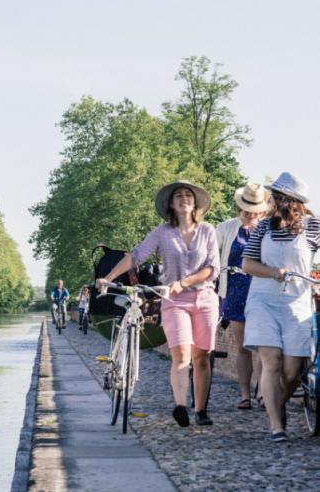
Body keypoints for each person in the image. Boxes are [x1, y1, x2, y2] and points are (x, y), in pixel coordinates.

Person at [96, 180, 220, 427]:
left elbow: (213, 269)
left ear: (195, 203)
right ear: (172, 205)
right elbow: (136, 255)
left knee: (203, 356)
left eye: (188, 195)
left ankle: (201, 409)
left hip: (205, 299)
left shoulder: (207, 231)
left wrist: (184, 282)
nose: (184, 198)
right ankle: (181, 406)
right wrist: (108, 278)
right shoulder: (162, 232)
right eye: (179, 196)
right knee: (181, 354)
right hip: (173, 301)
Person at [242, 172, 320, 442]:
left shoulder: (314, 226)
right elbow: (247, 265)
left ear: (294, 201)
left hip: (297, 305)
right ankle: (277, 426)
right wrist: (273, 271)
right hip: (263, 301)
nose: (275, 200)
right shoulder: (264, 226)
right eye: (275, 196)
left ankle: (278, 403)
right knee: (271, 362)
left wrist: (317, 282)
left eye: (279, 196)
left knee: (290, 372)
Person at [216, 184, 270, 410]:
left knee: (262, 346)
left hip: (260, 290)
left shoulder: (267, 230)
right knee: (243, 346)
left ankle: (263, 391)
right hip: (235, 290)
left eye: (255, 211)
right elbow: (211, 254)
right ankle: (245, 394)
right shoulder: (227, 228)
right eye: (247, 210)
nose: (251, 215)